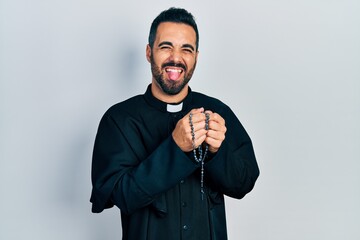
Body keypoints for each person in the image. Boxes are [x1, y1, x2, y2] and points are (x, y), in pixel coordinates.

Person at [90, 7, 259, 240]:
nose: (176, 58)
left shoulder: (218, 112)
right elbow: (121, 196)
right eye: (166, 46)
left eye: (186, 49)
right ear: (149, 52)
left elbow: (243, 184)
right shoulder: (119, 120)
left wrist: (216, 153)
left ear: (196, 57)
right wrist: (175, 147)